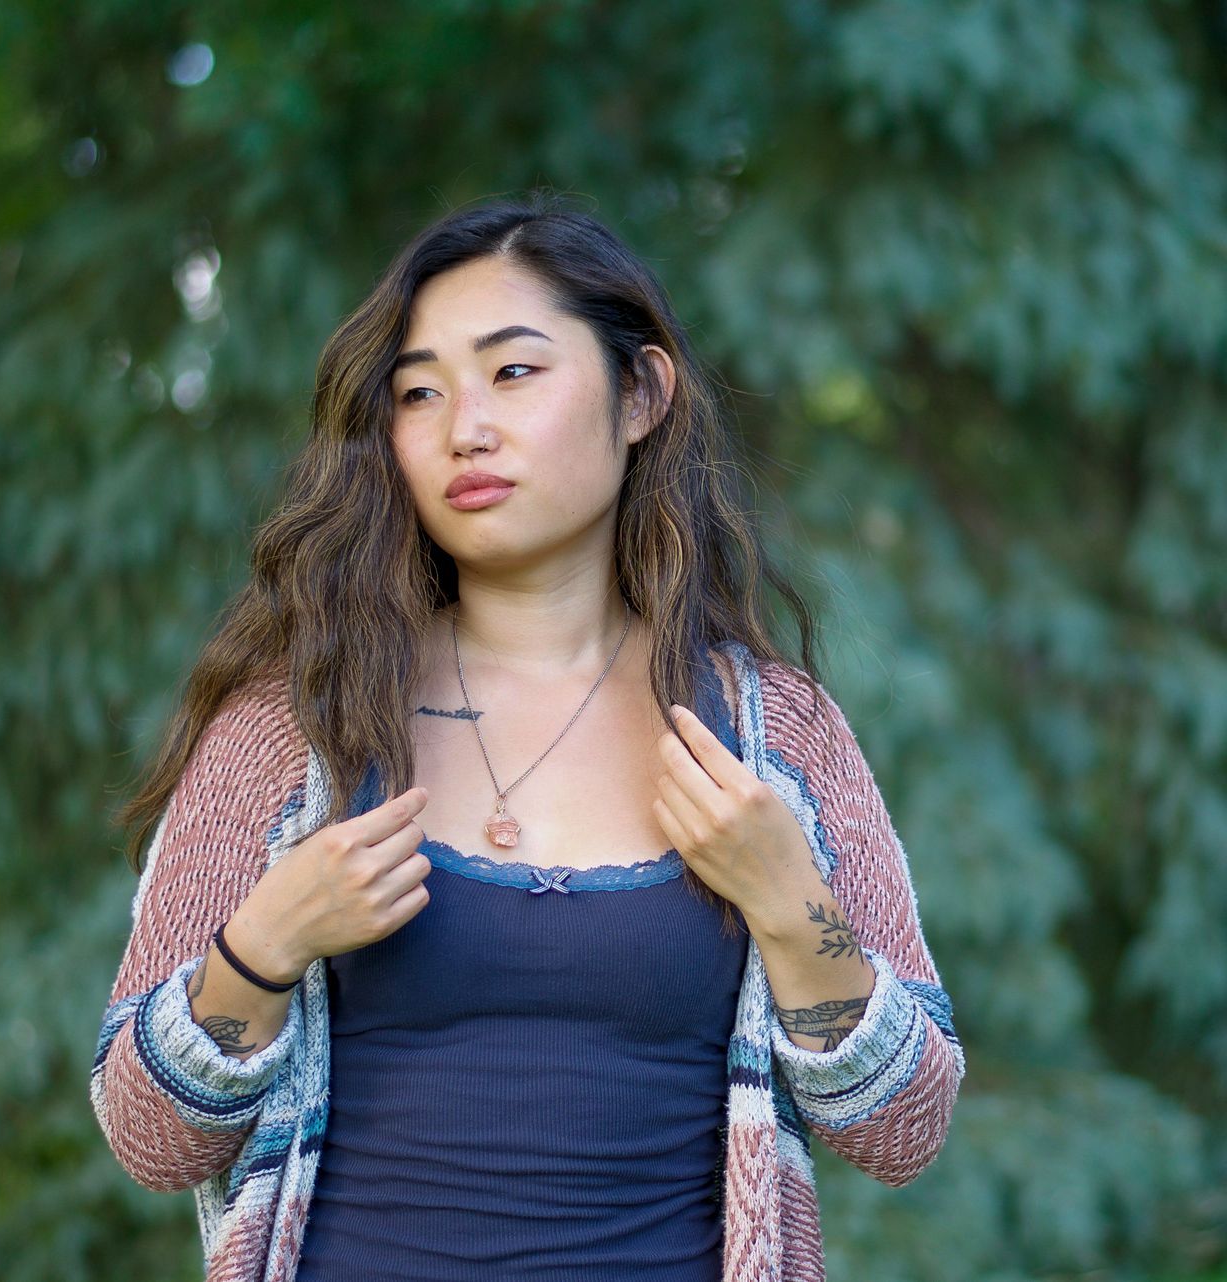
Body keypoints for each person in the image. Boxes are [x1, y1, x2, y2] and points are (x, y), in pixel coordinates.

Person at [90, 191, 966, 1282]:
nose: (467, 427)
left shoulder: (772, 730)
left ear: (641, 393)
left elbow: (903, 1130)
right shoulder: (293, 726)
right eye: (420, 392)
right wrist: (261, 948)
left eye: (514, 372)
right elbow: (148, 1137)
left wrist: (792, 905)